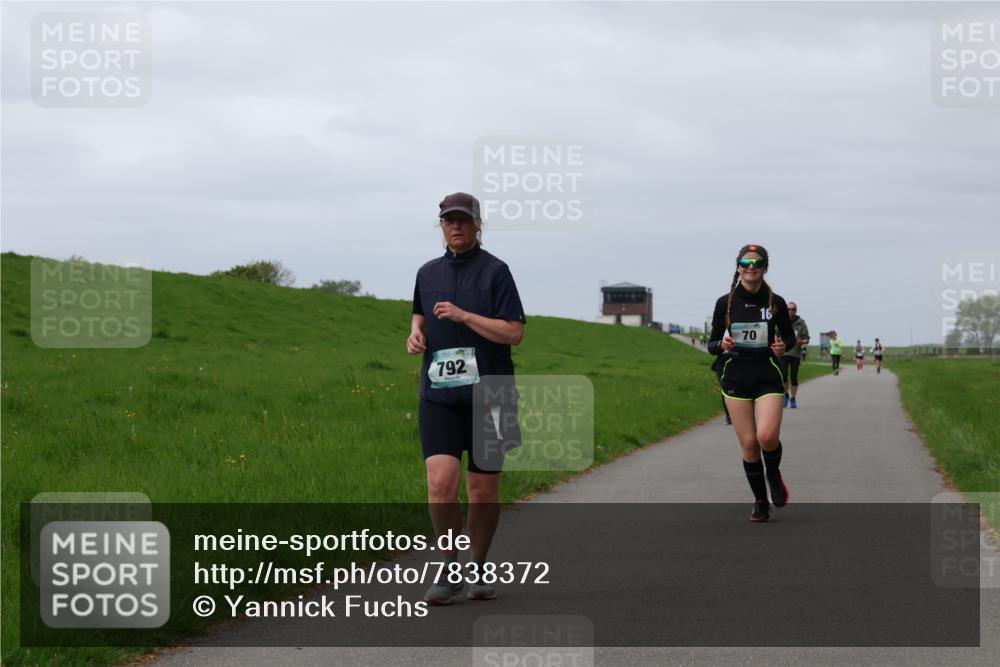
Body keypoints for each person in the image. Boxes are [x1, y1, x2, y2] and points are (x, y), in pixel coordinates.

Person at [407, 192, 526, 604]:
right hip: (439, 393)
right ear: (440, 226)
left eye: (463, 220)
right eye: (448, 220)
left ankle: (477, 563)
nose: (455, 226)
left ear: (478, 225)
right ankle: (449, 565)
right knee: (440, 482)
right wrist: (415, 332)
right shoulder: (427, 272)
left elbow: (514, 332)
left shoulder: (496, 272)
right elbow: (420, 311)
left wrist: (464, 316)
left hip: (493, 394)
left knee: (482, 490)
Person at [708, 244, 797, 522]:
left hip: (767, 372)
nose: (750, 267)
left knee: (766, 437)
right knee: (749, 444)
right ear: (738, 267)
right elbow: (711, 344)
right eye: (745, 262)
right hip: (735, 374)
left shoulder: (776, 303)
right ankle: (760, 502)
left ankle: (774, 473)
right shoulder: (726, 303)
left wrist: (783, 347)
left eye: (756, 263)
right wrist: (721, 344)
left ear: (765, 268)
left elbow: (790, 338)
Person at [780, 301, 810, 409]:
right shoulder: (781, 321)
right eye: (789, 309)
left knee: (793, 377)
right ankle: (785, 395)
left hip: (795, 353)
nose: (791, 311)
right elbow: (775, 334)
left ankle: (793, 398)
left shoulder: (801, 323)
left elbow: (807, 339)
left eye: (793, 309)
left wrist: (801, 342)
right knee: (783, 376)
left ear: (796, 311)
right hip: (783, 352)